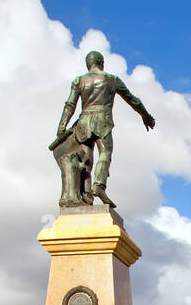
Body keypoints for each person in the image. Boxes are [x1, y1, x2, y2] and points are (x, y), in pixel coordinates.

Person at [54, 51, 155, 207]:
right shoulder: (111, 80)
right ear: (102, 63)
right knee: (105, 151)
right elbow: (133, 100)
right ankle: (99, 185)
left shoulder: (79, 81)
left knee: (86, 157)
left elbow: (70, 105)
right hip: (103, 120)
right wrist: (145, 115)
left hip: (84, 121)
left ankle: (87, 194)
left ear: (88, 65)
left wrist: (62, 126)